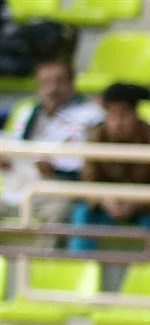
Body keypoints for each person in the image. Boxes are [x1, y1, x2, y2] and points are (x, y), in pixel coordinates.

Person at [68, 84, 150, 255]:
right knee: (82, 211)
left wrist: (135, 202)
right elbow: (87, 181)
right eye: (112, 114)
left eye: (123, 114)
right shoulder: (94, 136)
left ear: (135, 114)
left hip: (146, 209)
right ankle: (78, 264)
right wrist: (104, 200)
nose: (117, 122)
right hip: (106, 208)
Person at [1, 57, 102, 229]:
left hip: (60, 188)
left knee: (58, 212)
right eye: (46, 83)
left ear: (71, 83)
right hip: (20, 186)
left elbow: (92, 163)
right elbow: (14, 146)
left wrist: (56, 168)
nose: (52, 89)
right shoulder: (27, 112)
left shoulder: (92, 115)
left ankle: (48, 249)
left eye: (59, 82)